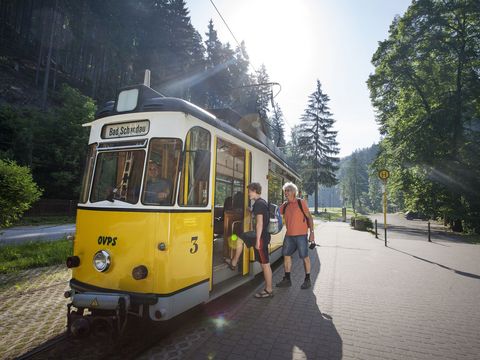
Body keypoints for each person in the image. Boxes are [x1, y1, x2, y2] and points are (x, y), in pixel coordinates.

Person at [225, 182, 273, 298]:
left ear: (255, 190)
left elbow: (260, 224)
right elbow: (259, 217)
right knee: (240, 238)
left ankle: (269, 290)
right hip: (260, 236)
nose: (248, 194)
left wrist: (257, 241)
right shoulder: (260, 203)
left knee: (265, 264)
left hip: (260, 237)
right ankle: (234, 262)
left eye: (249, 191)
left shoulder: (259, 204)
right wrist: (250, 211)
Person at [276, 182, 315, 289]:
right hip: (289, 235)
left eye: (288, 190)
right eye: (285, 191)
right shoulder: (285, 205)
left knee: (305, 257)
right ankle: (287, 279)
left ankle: (307, 279)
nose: (286, 193)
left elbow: (310, 218)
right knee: (286, 256)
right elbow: (274, 214)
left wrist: (312, 233)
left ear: (294, 192)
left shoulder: (301, 202)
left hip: (301, 235)